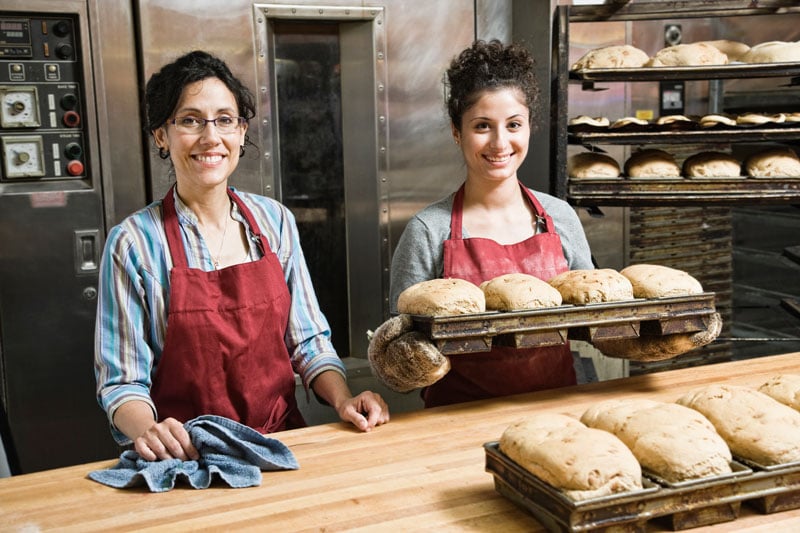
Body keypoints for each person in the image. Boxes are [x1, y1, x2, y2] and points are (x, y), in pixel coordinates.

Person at [94, 50, 389, 462]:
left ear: (241, 131)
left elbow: (307, 342)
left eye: (224, 120)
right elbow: (121, 381)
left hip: (279, 447)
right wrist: (150, 431)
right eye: (190, 120)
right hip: (186, 458)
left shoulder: (274, 222)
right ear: (161, 135)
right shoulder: (134, 243)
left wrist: (342, 400)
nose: (210, 137)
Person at [387, 40, 595, 407]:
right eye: (482, 126)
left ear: (529, 127)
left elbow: (594, 322)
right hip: (457, 416)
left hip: (558, 410)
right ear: (457, 132)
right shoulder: (427, 230)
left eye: (513, 124)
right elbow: (399, 352)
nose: (500, 143)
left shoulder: (559, 217)